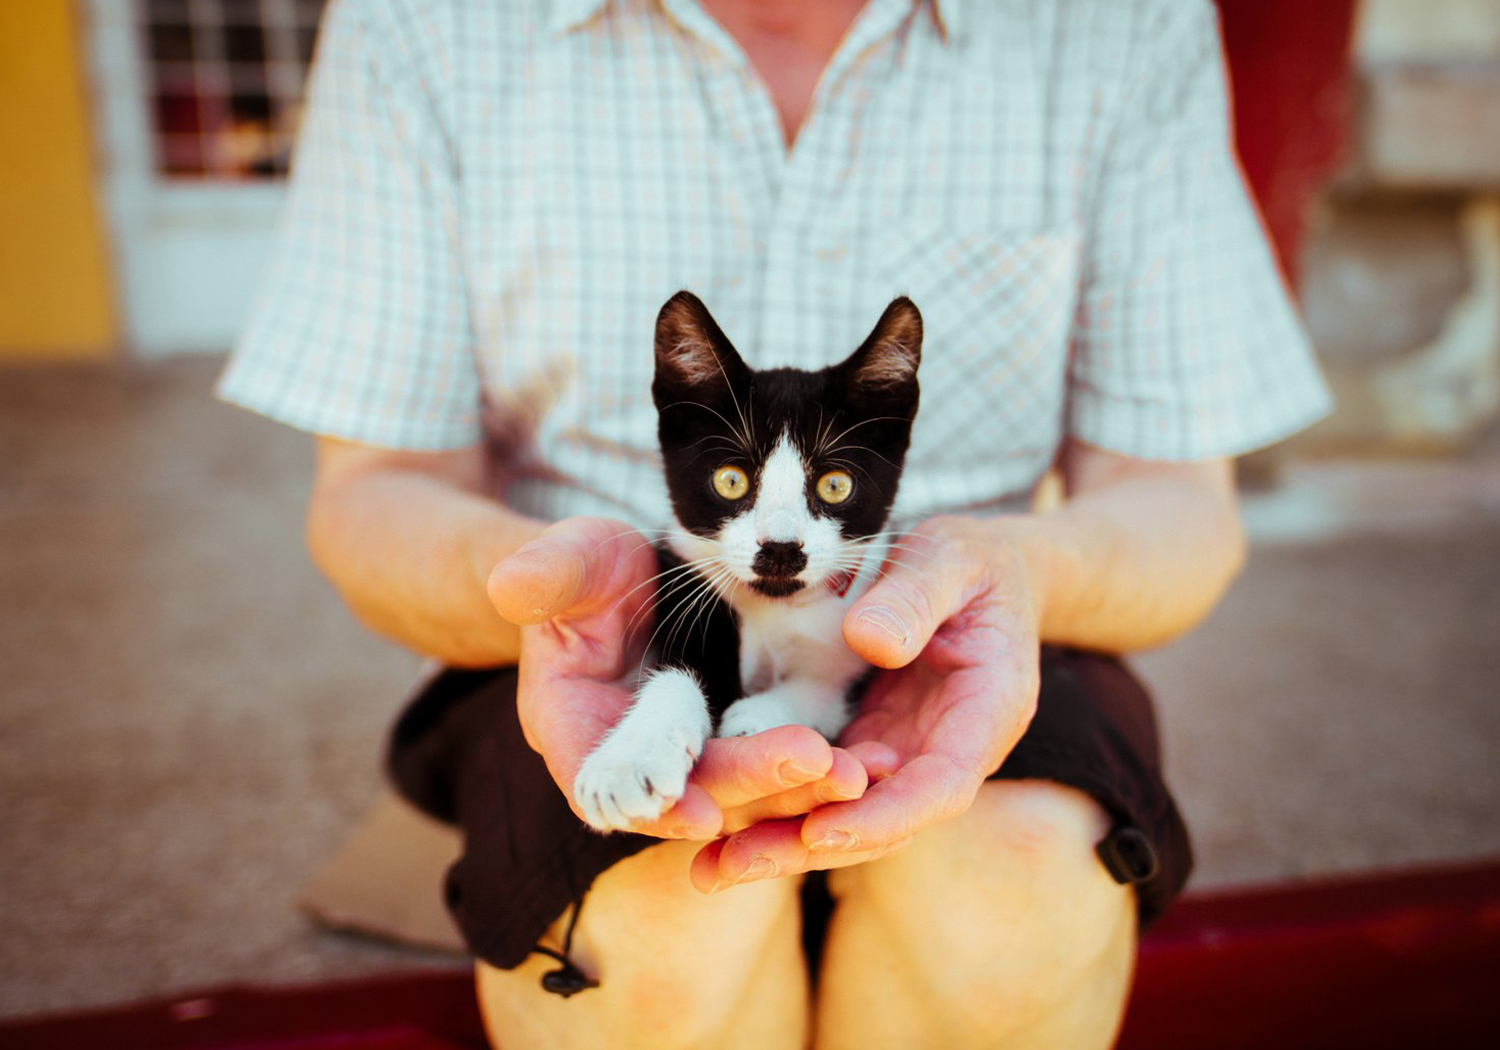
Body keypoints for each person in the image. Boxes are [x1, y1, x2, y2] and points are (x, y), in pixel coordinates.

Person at [219, 0, 1329, 1046]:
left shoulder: (1114, 23)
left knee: (1022, 883)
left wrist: (1004, 570)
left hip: (963, 628)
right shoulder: (428, 24)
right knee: (649, 931)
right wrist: (569, 588)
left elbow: (1180, 507)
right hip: (582, 634)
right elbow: (375, 491)